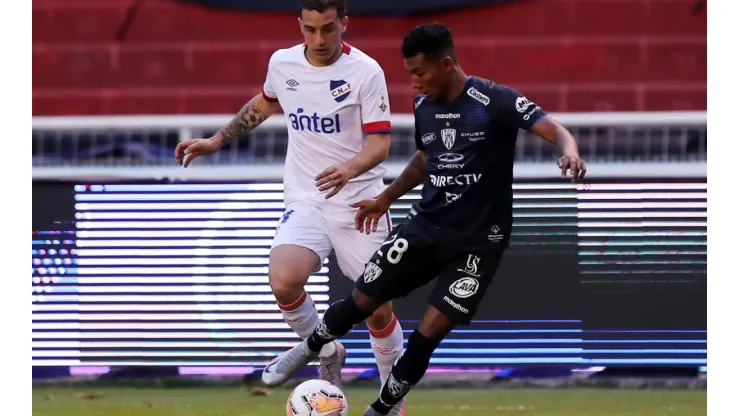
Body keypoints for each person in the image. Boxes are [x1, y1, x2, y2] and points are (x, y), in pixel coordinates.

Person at [260, 22, 588, 415]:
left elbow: (555, 129)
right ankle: (311, 348)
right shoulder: (424, 106)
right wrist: (384, 198)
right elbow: (424, 159)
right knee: (364, 297)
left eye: (419, 72)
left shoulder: (493, 100)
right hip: (424, 229)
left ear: (446, 64)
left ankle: (381, 410)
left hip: (478, 246)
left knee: (426, 337)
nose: (413, 82)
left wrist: (570, 152)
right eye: (409, 73)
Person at [173, 0, 406, 405]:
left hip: (359, 204)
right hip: (306, 197)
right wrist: (216, 140)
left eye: (328, 29)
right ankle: (328, 349)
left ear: (344, 24)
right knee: (283, 280)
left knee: (379, 310)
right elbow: (263, 104)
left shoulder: (366, 72)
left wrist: (349, 169)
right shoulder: (283, 64)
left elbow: (381, 143)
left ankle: (392, 404)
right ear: (299, 24)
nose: (319, 39)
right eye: (311, 29)